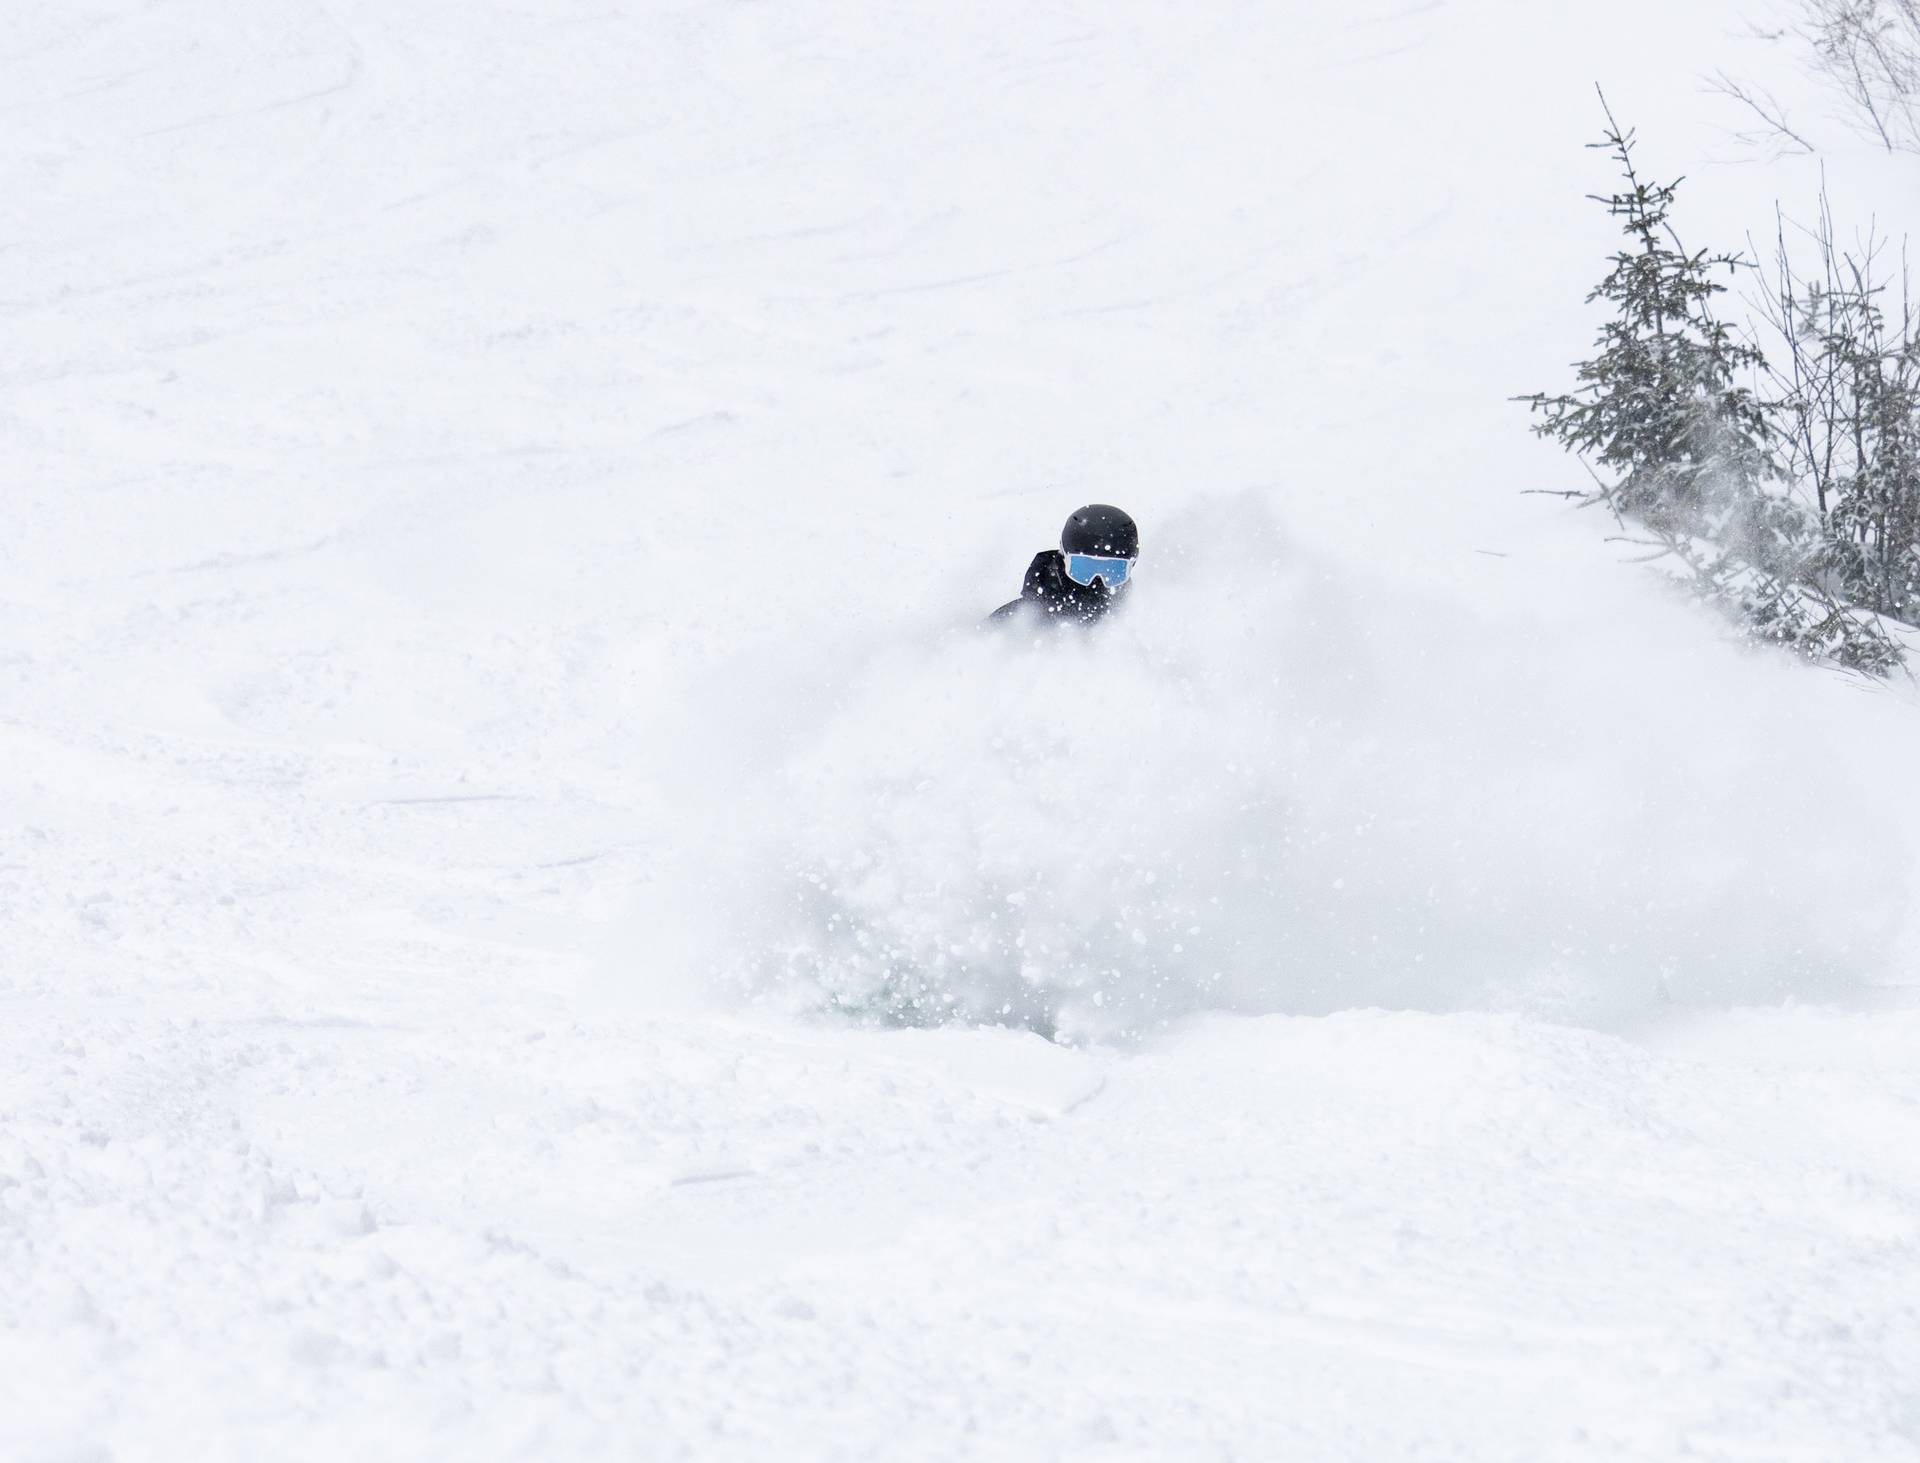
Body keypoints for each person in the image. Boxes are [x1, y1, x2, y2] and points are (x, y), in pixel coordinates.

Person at [987, 504, 1139, 626]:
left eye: (1113, 571)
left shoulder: (1137, 626)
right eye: (1083, 568)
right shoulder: (1015, 624)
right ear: (1063, 557)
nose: (1096, 581)